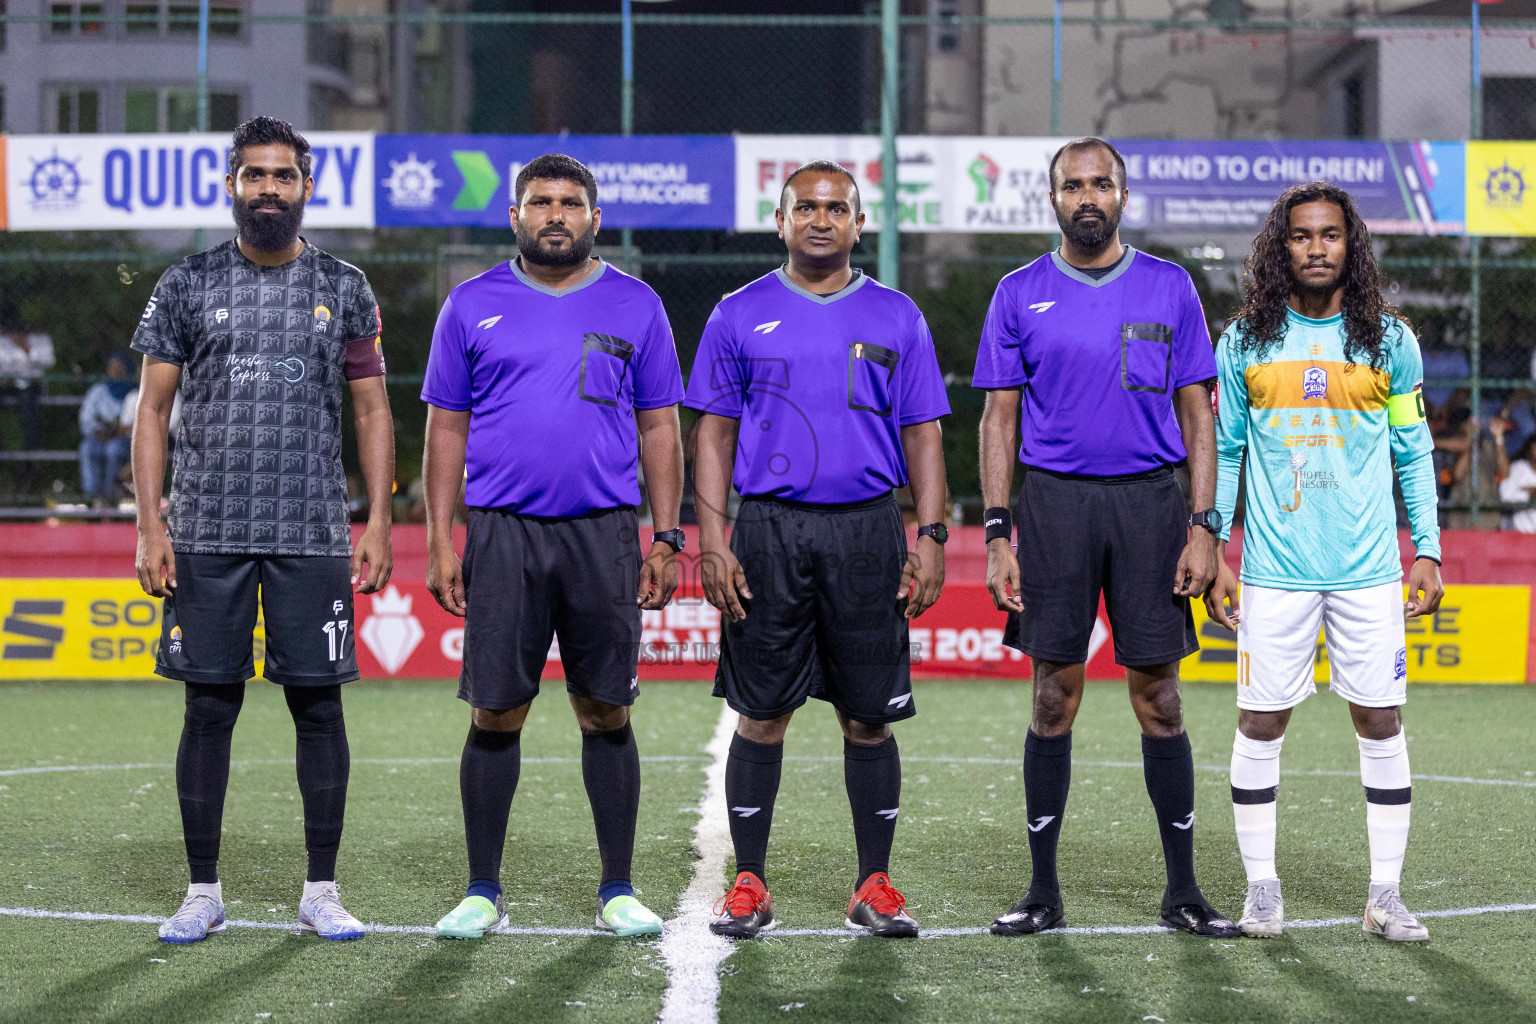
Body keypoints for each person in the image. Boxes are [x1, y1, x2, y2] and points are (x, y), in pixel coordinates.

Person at [131, 116, 395, 944]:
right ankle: (202, 890)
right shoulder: (186, 283)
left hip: (312, 529)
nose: (269, 190)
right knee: (209, 708)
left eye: (284, 176)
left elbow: (372, 407)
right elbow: (152, 411)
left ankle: (321, 888)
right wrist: (150, 525)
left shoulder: (346, 286)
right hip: (206, 526)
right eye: (255, 176)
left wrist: (379, 519)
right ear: (233, 186)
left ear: (307, 187)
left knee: (318, 708)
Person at [974, 137, 1238, 938]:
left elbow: (1200, 413)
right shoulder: (1019, 293)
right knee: (1053, 695)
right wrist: (995, 531)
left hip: (1153, 509)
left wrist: (1204, 528)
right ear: (1051, 199)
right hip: (1054, 507)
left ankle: (1184, 892)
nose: (1087, 196)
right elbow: (999, 418)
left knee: (1160, 698)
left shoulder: (1169, 285)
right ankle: (1043, 892)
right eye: (1072, 185)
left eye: (1102, 184)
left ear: (1124, 194)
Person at [421, 153, 685, 940]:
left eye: (571, 202)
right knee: (497, 710)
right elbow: (446, 426)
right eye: (541, 201)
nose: (556, 214)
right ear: (516, 216)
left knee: (604, 709)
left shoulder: (637, 304)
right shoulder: (471, 304)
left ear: (595, 217)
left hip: (604, 532)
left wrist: (667, 536)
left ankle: (617, 889)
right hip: (502, 533)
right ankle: (480, 891)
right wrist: (442, 539)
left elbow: (661, 425)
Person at [688, 160, 949, 940]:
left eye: (838, 208)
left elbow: (924, 433)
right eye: (806, 207)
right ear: (780, 220)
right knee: (761, 713)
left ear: (859, 224)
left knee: (868, 719)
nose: (822, 219)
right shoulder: (737, 313)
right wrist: (710, 537)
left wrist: (930, 536)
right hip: (767, 529)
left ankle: (874, 884)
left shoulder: (898, 316)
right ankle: (748, 884)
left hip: (868, 528)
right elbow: (713, 432)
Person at [1207, 181, 1444, 942]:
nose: (1316, 248)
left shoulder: (1389, 342)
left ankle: (1386, 895)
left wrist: (1428, 548)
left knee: (1380, 718)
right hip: (1276, 571)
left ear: (1351, 245)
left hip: (1369, 570)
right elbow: (1228, 453)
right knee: (1260, 719)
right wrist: (1216, 546)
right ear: (1282, 248)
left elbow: (1413, 450)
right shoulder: (1244, 342)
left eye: (1330, 235)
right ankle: (1262, 889)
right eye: (1302, 236)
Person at [78, 352, 135, 505]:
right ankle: (93, 496)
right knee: (87, 448)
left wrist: (118, 430)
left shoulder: (134, 392)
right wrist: (98, 429)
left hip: (125, 438)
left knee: (114, 449)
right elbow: (86, 418)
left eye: (119, 367)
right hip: (100, 436)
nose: (115, 371)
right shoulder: (98, 391)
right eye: (112, 367)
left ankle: (111, 495)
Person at [0, 327, 53, 451]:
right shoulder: (3, 340)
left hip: (32, 384)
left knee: (28, 404)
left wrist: (26, 348)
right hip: (8, 384)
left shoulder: (41, 340)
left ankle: (30, 451)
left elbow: (48, 362)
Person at [1499, 434, 1536, 532]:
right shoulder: (1518, 469)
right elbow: (1506, 497)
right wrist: (1530, 494)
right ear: (1530, 449)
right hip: (1517, 534)